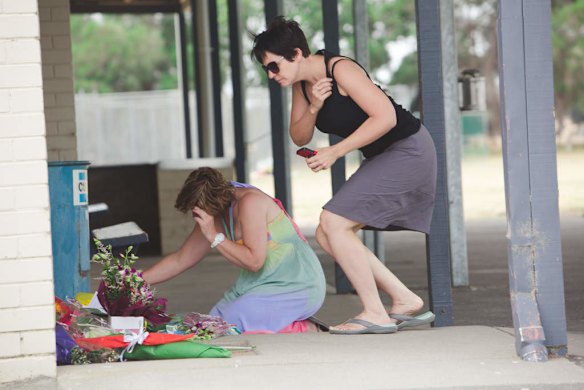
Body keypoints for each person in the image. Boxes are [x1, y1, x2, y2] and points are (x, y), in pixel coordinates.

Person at [252, 16, 437, 334]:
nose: (271, 75)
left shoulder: (340, 69)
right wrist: (314, 106)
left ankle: (375, 313)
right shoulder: (302, 85)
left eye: (274, 66)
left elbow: (386, 117)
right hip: (384, 155)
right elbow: (299, 136)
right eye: (267, 69)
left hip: (408, 149)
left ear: (296, 54)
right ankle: (403, 298)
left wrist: (335, 152)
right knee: (328, 233)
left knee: (333, 222)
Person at [142, 167, 326, 334]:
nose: (195, 216)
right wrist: (133, 280)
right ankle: (278, 322)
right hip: (261, 284)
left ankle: (304, 328)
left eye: (197, 211)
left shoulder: (250, 202)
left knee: (229, 325)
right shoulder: (216, 211)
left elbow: (255, 262)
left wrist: (214, 236)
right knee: (214, 322)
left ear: (211, 203)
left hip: (297, 285)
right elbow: (181, 259)